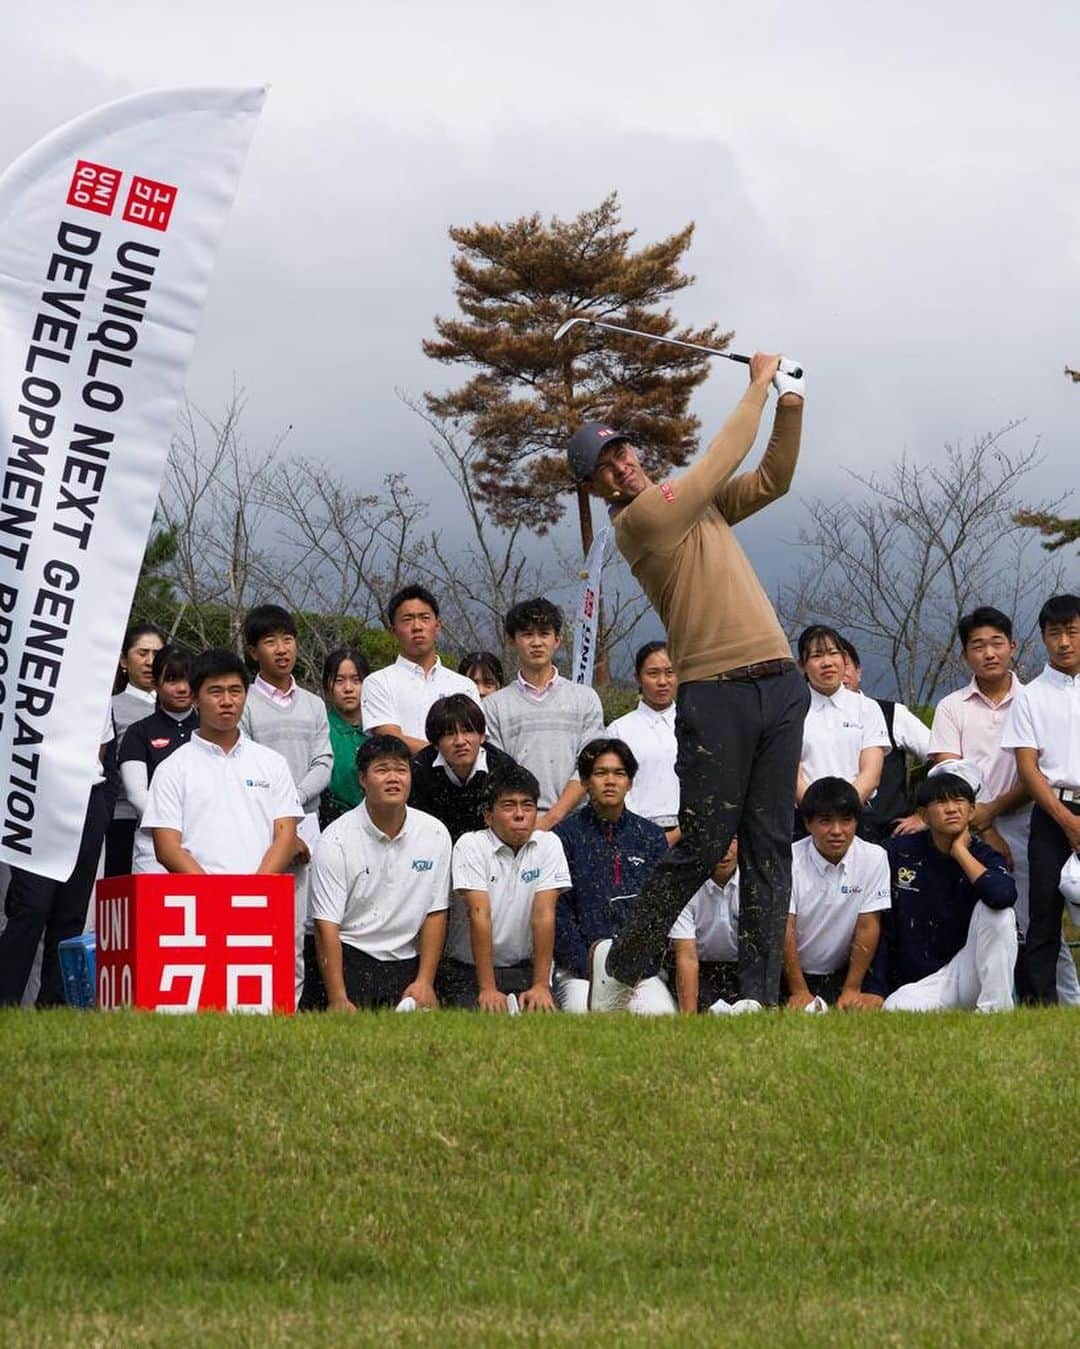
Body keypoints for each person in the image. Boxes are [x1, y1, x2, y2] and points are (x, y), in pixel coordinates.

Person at [569, 352, 807, 1010]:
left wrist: (791, 403)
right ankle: (621, 964)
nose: (622, 465)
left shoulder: (694, 507)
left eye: (622, 452)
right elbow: (720, 460)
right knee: (703, 843)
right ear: (596, 487)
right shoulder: (643, 520)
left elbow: (772, 479)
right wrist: (759, 381)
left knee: (769, 844)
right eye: (605, 467)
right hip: (714, 689)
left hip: (779, 682)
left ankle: (757, 999)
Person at [931, 605, 1079, 1004]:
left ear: (1013, 646)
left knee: (1036, 922)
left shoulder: (1029, 698)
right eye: (977, 646)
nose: (989, 653)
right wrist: (982, 826)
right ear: (965, 654)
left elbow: (1035, 773)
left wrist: (992, 813)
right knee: (989, 918)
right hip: (971, 826)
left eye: (997, 643)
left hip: (1031, 819)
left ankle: (1062, 1002)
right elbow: (949, 773)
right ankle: (992, 1000)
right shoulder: (952, 707)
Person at [309, 734, 452, 1012]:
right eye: (382, 770)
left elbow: (436, 912)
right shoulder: (335, 839)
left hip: (408, 960)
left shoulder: (434, 833)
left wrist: (424, 982)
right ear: (363, 779)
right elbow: (325, 924)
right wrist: (338, 997)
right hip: (352, 956)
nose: (393, 778)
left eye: (401, 769)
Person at [239, 604, 334, 1003]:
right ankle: (248, 1002)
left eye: (288, 639)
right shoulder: (242, 703)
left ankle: (287, 1007)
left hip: (304, 824)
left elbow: (323, 762)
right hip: (256, 825)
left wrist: (290, 805)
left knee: (297, 927)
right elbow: (243, 765)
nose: (282, 649)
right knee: (255, 919)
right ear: (252, 651)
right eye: (270, 641)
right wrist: (280, 812)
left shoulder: (313, 704)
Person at [141, 649, 303, 877]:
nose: (227, 701)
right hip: (197, 902)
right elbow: (167, 848)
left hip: (262, 901)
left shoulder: (272, 763)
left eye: (235, 691)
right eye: (215, 692)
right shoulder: (172, 768)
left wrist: (253, 894)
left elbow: (286, 836)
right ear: (195, 698)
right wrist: (218, 897)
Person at [867, 772, 1018, 1011]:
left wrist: (960, 852)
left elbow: (1003, 896)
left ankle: (995, 1011)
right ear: (924, 815)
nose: (951, 809)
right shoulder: (898, 853)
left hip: (968, 970)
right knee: (895, 1008)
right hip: (924, 981)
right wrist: (875, 989)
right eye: (941, 802)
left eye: (959, 802)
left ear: (971, 811)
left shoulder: (983, 854)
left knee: (999, 914)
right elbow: (881, 922)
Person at [0, 713, 118, 1007]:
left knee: (71, 912)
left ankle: (54, 1008)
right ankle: (6, 1003)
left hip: (86, 796)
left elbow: (101, 746)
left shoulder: (93, 678)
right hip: (31, 793)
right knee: (31, 906)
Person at [553, 739, 674, 1013]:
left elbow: (660, 911)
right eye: (600, 773)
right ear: (585, 782)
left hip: (639, 974)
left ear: (630, 783)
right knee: (580, 1016)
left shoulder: (651, 837)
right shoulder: (564, 837)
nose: (610, 781)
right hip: (581, 973)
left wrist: (632, 967)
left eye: (619, 773)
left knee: (662, 1019)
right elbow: (559, 914)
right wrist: (591, 968)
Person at [438, 765, 570, 1012]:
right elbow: (480, 915)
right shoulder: (470, 845)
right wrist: (487, 989)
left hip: (525, 968)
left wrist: (541, 985)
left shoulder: (549, 844)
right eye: (509, 806)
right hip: (468, 970)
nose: (520, 814)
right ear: (488, 815)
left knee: (544, 1022)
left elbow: (544, 914)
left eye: (527, 806)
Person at [1001, 594, 1080, 1004]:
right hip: (1051, 811)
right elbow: (1028, 769)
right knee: (1044, 917)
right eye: (1055, 633)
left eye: (1072, 631)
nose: (1064, 642)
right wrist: (1067, 822)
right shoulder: (1030, 696)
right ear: (1043, 639)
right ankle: (1040, 1007)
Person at [481, 597, 605, 829]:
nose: (536, 642)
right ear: (511, 641)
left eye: (544, 634)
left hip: (580, 823)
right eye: (527, 634)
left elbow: (590, 766)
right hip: (517, 826)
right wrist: (528, 820)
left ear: (557, 640)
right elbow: (499, 773)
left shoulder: (585, 699)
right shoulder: (493, 706)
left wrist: (552, 818)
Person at [783, 777, 891, 1009]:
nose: (837, 831)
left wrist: (852, 988)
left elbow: (868, 926)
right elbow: (785, 928)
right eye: (825, 821)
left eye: (846, 821)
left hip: (840, 973)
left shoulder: (874, 857)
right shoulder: (788, 859)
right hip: (788, 974)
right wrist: (799, 990)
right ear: (807, 823)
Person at [361, 585, 480, 753]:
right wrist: (449, 754)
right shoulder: (378, 683)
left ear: (438, 626)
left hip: (457, 778)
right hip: (403, 777)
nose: (417, 626)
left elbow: (477, 739)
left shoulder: (464, 685)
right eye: (407, 619)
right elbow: (391, 739)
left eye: (424, 618)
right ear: (392, 631)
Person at [839, 636, 931, 843]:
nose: (839, 673)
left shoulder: (892, 713)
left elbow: (942, 758)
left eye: (845, 666)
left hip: (890, 837)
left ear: (859, 671)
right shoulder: (806, 717)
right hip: (828, 838)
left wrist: (926, 814)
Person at [120, 645, 200, 875]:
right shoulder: (139, 732)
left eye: (188, 679)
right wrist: (171, 828)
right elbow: (136, 794)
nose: (182, 688)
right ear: (155, 684)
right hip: (153, 843)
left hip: (207, 840)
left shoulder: (211, 728)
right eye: (172, 680)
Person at [796, 625, 890, 811]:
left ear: (845, 658)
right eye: (816, 656)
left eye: (833, 653)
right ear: (802, 665)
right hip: (804, 816)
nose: (827, 662)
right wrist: (816, 813)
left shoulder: (867, 708)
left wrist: (843, 811)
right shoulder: (791, 710)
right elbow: (791, 772)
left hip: (856, 814)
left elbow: (871, 774)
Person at [407, 693, 519, 842]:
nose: (460, 741)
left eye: (467, 731)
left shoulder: (504, 769)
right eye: (449, 734)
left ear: (482, 736)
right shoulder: (418, 769)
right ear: (435, 743)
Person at [105, 621, 166, 875]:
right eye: (142, 653)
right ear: (123, 660)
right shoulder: (109, 707)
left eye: (157, 654)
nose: (151, 661)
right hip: (122, 820)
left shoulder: (185, 711)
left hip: (176, 826)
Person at [606, 641, 680, 843]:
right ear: (638, 678)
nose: (662, 681)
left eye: (669, 672)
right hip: (634, 834)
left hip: (688, 833)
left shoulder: (695, 724)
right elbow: (612, 783)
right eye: (653, 674)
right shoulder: (619, 730)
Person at [668, 840, 740, 1013]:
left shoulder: (756, 883)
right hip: (699, 968)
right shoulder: (683, 887)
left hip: (742, 969)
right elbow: (687, 957)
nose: (725, 851)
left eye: (732, 840)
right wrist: (689, 1018)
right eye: (718, 839)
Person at [320, 646, 370, 829]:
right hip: (332, 823)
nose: (348, 688)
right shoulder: (320, 728)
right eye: (339, 681)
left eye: (356, 680)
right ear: (327, 686)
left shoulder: (380, 728)